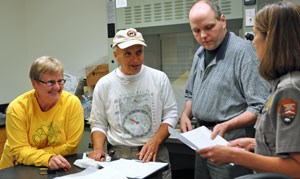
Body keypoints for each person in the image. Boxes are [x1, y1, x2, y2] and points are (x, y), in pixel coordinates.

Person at [197, 1, 300, 178]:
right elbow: (283, 145)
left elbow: (296, 168)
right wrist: (254, 143)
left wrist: (235, 156)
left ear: (272, 40)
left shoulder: (289, 90)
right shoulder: (281, 83)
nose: (253, 42)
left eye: (256, 34)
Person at [180, 0, 270, 178]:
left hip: (231, 141)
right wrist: (185, 114)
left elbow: (258, 107)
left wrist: (227, 125)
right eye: (196, 31)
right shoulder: (199, 53)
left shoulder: (244, 52)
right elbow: (191, 93)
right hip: (202, 139)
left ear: (223, 21)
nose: (203, 35)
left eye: (208, 27)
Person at [87, 28, 178, 179]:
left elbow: (171, 114)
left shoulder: (159, 78)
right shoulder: (105, 84)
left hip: (154, 154)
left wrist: (155, 141)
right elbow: (98, 123)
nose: (135, 59)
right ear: (116, 55)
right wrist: (97, 149)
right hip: (119, 156)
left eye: (139, 52)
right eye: (128, 54)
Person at [0, 56, 84, 170]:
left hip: (53, 166)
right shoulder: (17, 108)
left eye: (60, 81)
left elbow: (71, 146)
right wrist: (47, 158)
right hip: (16, 168)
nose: (57, 87)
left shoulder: (72, 103)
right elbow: (19, 150)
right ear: (34, 83)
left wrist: (30, 154)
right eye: (50, 82)